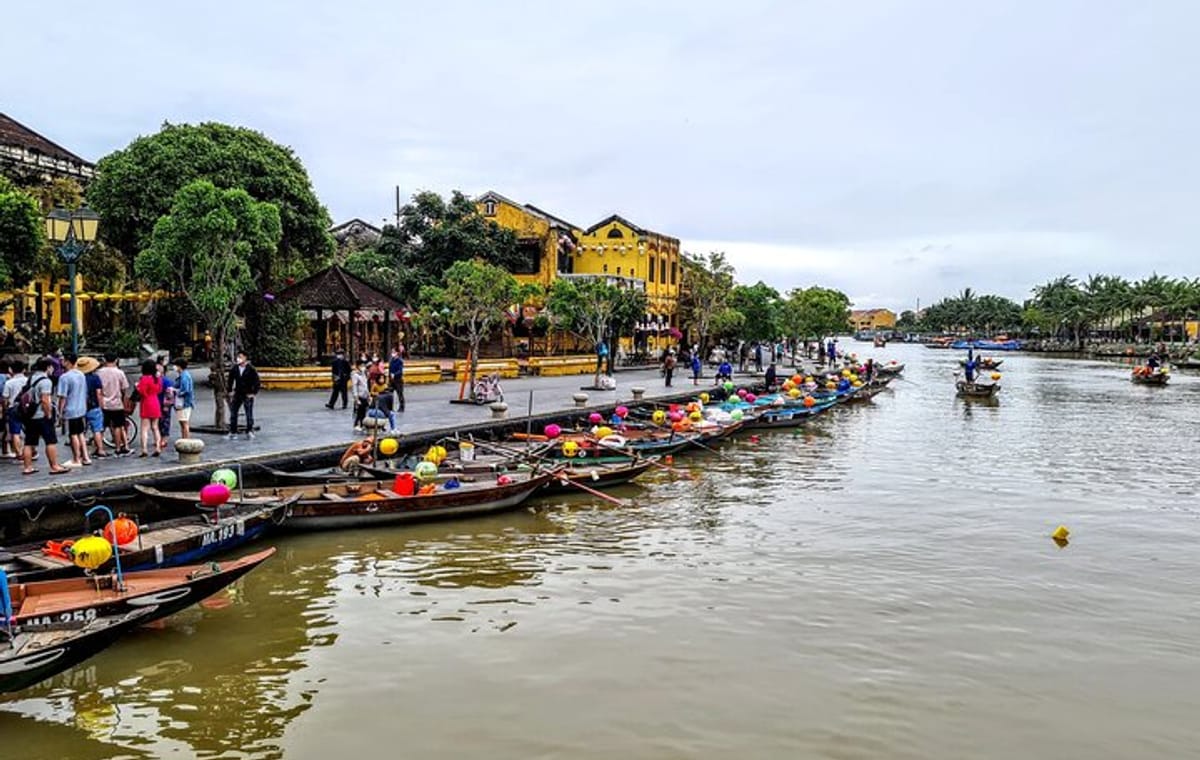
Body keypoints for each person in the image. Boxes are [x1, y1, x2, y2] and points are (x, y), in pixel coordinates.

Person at [22, 358, 71, 475]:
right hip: (41, 415)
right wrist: (48, 414)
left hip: (30, 415)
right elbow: (45, 400)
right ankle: (54, 466)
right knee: (50, 441)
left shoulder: (31, 378)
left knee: (29, 442)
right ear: (48, 367)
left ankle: (27, 467)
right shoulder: (46, 381)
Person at [55, 353, 91, 467]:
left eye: (63, 360)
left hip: (71, 409)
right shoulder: (81, 374)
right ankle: (85, 457)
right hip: (81, 408)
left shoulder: (64, 377)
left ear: (68, 361)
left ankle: (76, 458)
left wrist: (60, 412)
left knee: (73, 434)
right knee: (80, 433)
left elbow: (62, 397)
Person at [97, 353, 131, 455]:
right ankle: (118, 447)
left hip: (103, 403)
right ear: (116, 360)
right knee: (118, 426)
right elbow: (124, 388)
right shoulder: (120, 373)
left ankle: (100, 448)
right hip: (117, 403)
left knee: (101, 427)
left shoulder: (99, 373)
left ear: (104, 360)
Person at [227, 350, 260, 440]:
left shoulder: (251, 369)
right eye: (238, 357)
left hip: (247, 393)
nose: (238, 359)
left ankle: (249, 431)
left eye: (240, 357)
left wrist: (253, 393)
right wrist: (230, 391)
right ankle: (233, 431)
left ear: (245, 358)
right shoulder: (235, 368)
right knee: (233, 413)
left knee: (248, 413)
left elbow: (257, 382)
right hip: (237, 393)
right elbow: (230, 380)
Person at [78, 356, 106, 458]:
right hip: (94, 406)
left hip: (80, 407)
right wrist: (101, 405)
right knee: (97, 429)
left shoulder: (78, 378)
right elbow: (99, 393)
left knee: (81, 431)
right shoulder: (95, 378)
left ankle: (81, 452)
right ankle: (100, 449)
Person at [135, 359, 164, 457]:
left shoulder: (144, 378)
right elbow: (160, 390)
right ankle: (158, 447)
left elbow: (142, 391)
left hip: (146, 402)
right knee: (155, 427)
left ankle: (144, 449)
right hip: (155, 401)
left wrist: (137, 387)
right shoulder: (157, 379)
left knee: (144, 428)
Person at [1, 359, 25, 459]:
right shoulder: (28, 380)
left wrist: (5, 408)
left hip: (13, 408)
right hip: (27, 408)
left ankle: (19, 453)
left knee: (15, 432)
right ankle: (30, 451)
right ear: (24, 370)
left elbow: (5, 398)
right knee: (29, 431)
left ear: (11, 369)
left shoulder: (9, 383)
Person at [173, 358, 195, 440]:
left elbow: (185, 390)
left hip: (184, 402)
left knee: (184, 422)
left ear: (179, 366)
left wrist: (175, 391)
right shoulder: (183, 375)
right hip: (183, 402)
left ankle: (186, 440)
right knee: (182, 423)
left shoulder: (184, 376)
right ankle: (184, 439)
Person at [157, 358, 175, 452]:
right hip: (156, 404)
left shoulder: (166, 381)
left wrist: (166, 405)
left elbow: (169, 394)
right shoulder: (156, 380)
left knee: (165, 421)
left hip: (164, 404)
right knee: (158, 422)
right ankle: (159, 437)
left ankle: (164, 438)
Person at [350, 360, 370, 432]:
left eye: (364, 365)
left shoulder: (363, 374)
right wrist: (356, 397)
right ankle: (356, 424)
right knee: (359, 411)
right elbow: (354, 386)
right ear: (357, 366)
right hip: (359, 395)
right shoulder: (355, 374)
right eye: (361, 366)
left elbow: (366, 385)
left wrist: (368, 395)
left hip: (365, 395)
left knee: (364, 411)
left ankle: (362, 424)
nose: (363, 367)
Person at [388, 346, 406, 413]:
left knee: (400, 394)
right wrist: (389, 376)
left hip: (398, 380)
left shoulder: (400, 361)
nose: (392, 353)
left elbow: (400, 370)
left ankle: (401, 407)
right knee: (389, 394)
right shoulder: (391, 360)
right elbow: (390, 369)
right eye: (392, 352)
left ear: (397, 353)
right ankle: (390, 407)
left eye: (394, 352)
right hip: (391, 380)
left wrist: (394, 374)